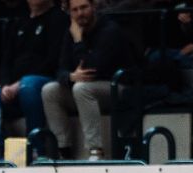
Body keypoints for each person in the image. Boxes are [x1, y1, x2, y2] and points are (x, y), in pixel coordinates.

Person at [41, 0, 138, 160]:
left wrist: (79, 41)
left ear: (93, 6)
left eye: (84, 7)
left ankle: (95, 150)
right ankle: (62, 150)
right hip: (86, 89)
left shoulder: (109, 30)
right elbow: (60, 69)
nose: (80, 13)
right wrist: (70, 76)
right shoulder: (70, 33)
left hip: (116, 88)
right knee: (49, 90)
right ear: (70, 13)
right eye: (75, 10)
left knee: (81, 88)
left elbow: (93, 69)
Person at [0, 0, 67, 139]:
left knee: (28, 85)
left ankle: (36, 150)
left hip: (44, 82)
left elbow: (53, 60)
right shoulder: (19, 21)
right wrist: (5, 85)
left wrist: (19, 84)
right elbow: (6, 60)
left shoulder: (59, 18)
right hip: (14, 88)